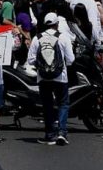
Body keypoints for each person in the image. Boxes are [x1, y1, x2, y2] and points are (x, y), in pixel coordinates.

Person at [28, 12, 76, 146]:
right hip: (61, 77)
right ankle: (62, 132)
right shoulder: (63, 38)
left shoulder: (37, 38)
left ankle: (49, 134)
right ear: (57, 24)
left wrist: (42, 65)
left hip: (43, 78)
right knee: (63, 104)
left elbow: (30, 60)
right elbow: (71, 60)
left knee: (47, 105)